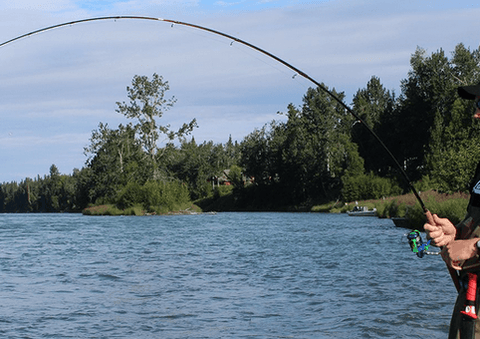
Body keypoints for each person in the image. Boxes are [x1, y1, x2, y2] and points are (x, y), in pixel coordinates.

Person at [425, 83, 480, 338]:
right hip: (470, 305)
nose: (476, 114)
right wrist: (454, 234)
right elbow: (475, 220)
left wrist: (474, 248)